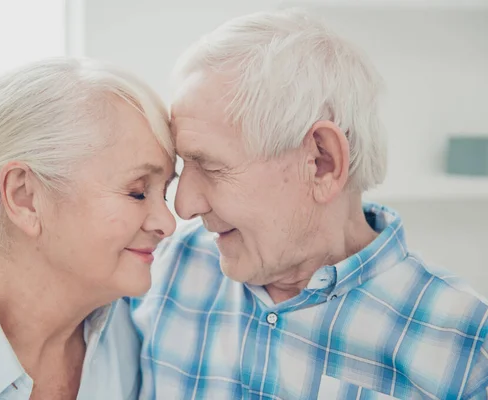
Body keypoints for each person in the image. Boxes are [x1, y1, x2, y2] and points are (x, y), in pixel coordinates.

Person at [130, 9, 488, 400]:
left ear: (321, 162)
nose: (183, 207)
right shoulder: (166, 267)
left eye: (211, 166)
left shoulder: (466, 348)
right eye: (185, 166)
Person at [0, 58, 177, 400]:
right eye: (137, 191)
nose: (168, 223)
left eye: (165, 192)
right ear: (24, 197)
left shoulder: (137, 338)